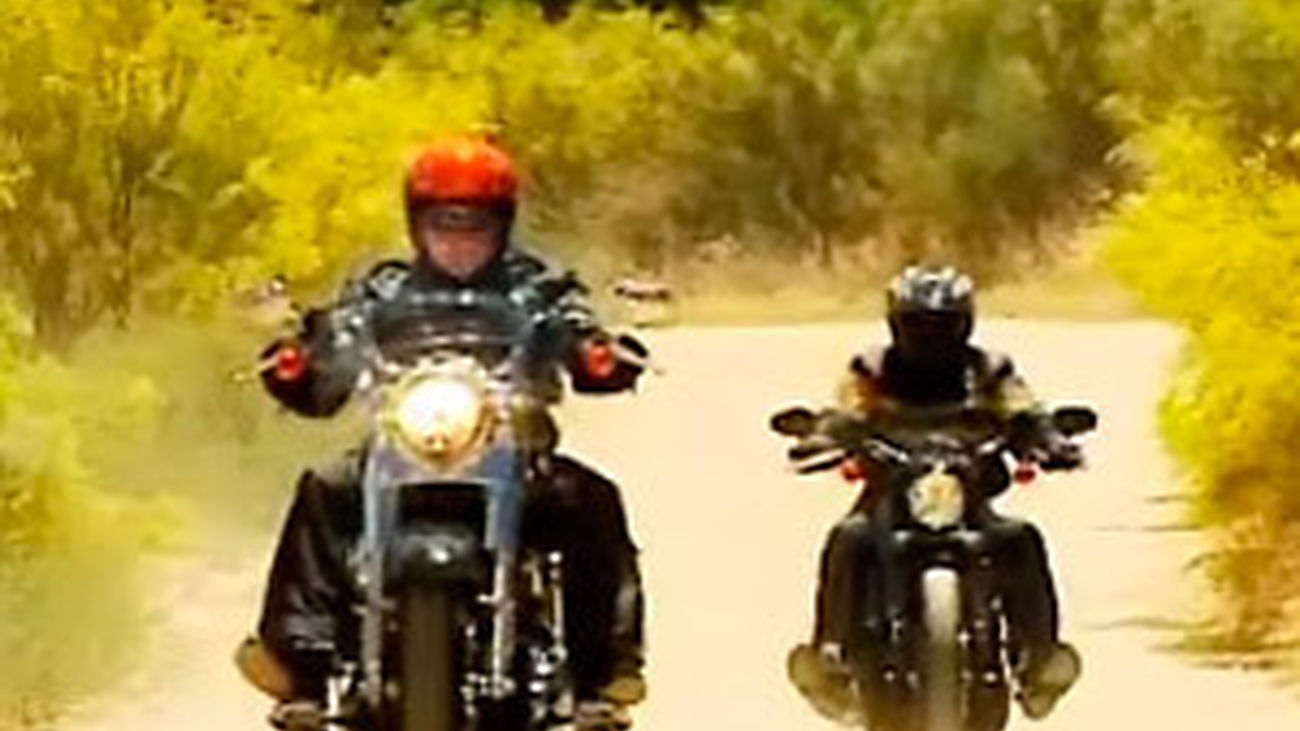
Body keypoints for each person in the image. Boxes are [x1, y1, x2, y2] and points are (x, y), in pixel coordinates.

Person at [235, 135, 649, 730]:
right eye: (443, 226)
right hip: (404, 443)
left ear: (501, 227)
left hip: (513, 447)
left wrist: (597, 353)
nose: (458, 241)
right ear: (417, 226)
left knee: (592, 499)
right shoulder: (383, 289)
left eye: (474, 227)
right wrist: (301, 361)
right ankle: (300, 664)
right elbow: (336, 335)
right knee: (323, 488)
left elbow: (574, 324)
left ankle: (603, 672)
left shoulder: (535, 287)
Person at [787, 266, 1083, 723]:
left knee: (1022, 538)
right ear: (895, 324)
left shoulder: (989, 369)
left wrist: (1050, 440)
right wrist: (822, 437)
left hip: (969, 493)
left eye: (943, 324)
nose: (930, 336)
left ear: (965, 323)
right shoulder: (872, 368)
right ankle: (830, 657)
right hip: (891, 493)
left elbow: (1023, 409)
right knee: (849, 538)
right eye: (918, 324)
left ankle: (1040, 659)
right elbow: (845, 410)